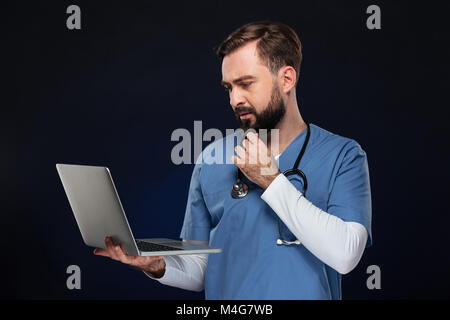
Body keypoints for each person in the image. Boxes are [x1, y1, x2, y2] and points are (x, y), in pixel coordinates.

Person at [94, 21, 372, 299]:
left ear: (287, 79)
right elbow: (203, 266)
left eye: (246, 84)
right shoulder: (211, 159)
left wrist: (271, 180)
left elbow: (346, 255)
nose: (234, 99)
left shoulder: (343, 156)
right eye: (229, 87)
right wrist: (159, 265)